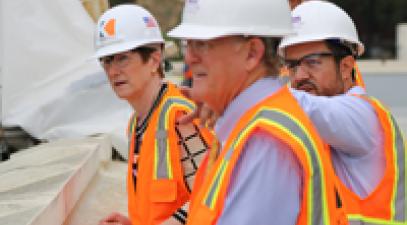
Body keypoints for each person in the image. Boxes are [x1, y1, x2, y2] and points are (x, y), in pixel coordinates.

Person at [168, 0, 353, 224]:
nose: (189, 58)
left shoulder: (265, 143)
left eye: (204, 44)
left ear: (252, 53)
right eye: (189, 44)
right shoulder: (244, 129)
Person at [278, 1, 406, 224]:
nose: (298, 76)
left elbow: (293, 103)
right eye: (292, 66)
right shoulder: (312, 130)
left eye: (312, 63)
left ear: (346, 66)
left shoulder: (362, 116)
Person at [94, 5, 212, 225]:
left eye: (122, 59)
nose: (112, 71)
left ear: (154, 60)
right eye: (107, 61)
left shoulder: (179, 117)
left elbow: (210, 199)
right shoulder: (137, 123)